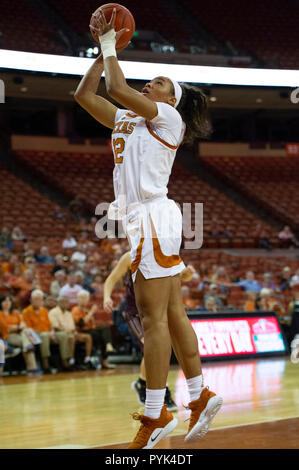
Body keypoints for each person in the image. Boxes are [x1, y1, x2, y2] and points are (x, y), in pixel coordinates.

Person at [76, 10, 222, 449]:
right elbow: (86, 95)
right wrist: (100, 58)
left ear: (170, 100)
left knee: (153, 320)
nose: (149, 85)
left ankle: (157, 414)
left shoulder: (167, 120)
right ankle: (199, 396)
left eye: (158, 83)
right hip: (147, 220)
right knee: (172, 314)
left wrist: (109, 45)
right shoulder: (128, 120)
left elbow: (118, 89)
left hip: (152, 217)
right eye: (151, 81)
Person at [104, 251, 195, 409]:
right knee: (154, 348)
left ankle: (142, 382)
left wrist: (187, 274)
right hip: (135, 313)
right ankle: (162, 390)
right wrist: (106, 297)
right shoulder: (130, 257)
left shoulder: (165, 254)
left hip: (157, 312)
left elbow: (181, 277)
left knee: (154, 350)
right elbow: (111, 279)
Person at [22, 290, 72, 373]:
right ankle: (46, 364)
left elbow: (50, 325)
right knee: (44, 336)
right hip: (36, 335)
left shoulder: (44, 311)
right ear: (31, 300)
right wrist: (47, 333)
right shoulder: (26, 312)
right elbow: (29, 329)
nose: (38, 301)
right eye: (36, 299)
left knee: (63, 335)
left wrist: (52, 332)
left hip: (48, 333)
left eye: (40, 299)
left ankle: (65, 362)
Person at [72, 289, 115, 369]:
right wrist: (92, 312)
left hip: (91, 331)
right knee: (102, 336)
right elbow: (82, 323)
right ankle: (105, 355)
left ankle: (108, 347)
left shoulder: (86, 310)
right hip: (81, 331)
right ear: (78, 299)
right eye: (82, 298)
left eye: (86, 298)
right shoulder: (76, 309)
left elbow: (93, 324)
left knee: (105, 329)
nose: (84, 300)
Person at [49, 296, 93, 370]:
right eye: (63, 302)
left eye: (66, 302)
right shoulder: (53, 312)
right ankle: (70, 361)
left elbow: (72, 327)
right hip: (59, 333)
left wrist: (74, 332)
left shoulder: (68, 313)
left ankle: (87, 359)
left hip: (71, 332)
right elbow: (55, 327)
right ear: (58, 303)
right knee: (71, 337)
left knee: (87, 337)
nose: (65, 304)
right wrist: (66, 331)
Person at [0, 294, 40, 373]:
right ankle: (32, 368)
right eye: (5, 301)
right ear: (1, 302)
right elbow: (6, 328)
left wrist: (18, 326)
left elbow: (23, 324)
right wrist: (18, 327)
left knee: (26, 336)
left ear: (12, 302)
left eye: (9, 300)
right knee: (28, 343)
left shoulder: (16, 313)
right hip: (8, 336)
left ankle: (32, 367)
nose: (7, 302)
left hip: (20, 334)